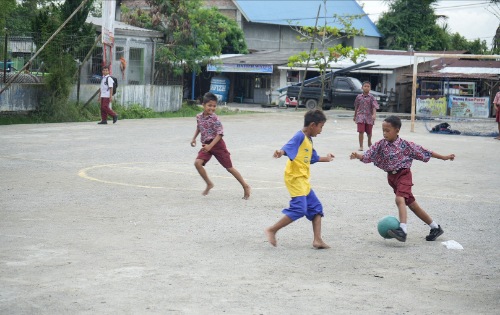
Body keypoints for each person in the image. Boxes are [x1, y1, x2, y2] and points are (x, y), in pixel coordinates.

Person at [350, 115, 455, 242]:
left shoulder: (406, 145)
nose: (385, 133)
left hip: (404, 175)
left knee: (399, 199)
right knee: (412, 205)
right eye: (383, 130)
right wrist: (358, 156)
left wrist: (444, 157)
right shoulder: (380, 145)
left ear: (397, 130)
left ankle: (403, 230)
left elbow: (425, 152)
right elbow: (368, 155)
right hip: (392, 178)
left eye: (388, 130)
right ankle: (435, 227)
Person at [265, 109, 335, 249]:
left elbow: (311, 157)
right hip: (294, 178)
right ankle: (272, 230)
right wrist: (281, 152)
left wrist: (326, 159)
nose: (320, 131)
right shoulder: (299, 136)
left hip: (303, 179)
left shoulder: (308, 139)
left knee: (316, 208)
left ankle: (317, 240)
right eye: (320, 127)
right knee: (299, 209)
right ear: (312, 125)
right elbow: (288, 146)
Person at [190, 92, 251, 199]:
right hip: (206, 145)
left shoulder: (215, 119)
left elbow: (220, 134)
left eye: (214, 106)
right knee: (197, 163)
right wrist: (194, 138)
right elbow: (199, 127)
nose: (212, 108)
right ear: (203, 105)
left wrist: (210, 146)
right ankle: (209, 183)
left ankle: (245, 186)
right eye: (209, 105)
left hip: (218, 145)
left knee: (229, 168)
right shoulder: (199, 117)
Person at [353, 81, 379, 151]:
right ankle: (361, 146)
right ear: (362, 87)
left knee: (369, 132)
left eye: (368, 86)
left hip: (369, 117)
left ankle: (369, 141)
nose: (366, 88)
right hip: (360, 116)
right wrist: (355, 116)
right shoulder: (358, 97)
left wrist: (374, 114)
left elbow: (374, 106)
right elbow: (356, 106)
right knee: (361, 131)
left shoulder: (372, 97)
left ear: (370, 88)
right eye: (365, 86)